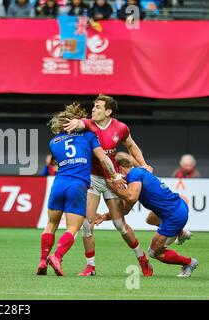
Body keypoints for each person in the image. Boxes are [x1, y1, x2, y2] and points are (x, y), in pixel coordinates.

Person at [64, 94, 154, 277]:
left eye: (97, 107)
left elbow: (132, 146)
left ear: (108, 111)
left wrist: (143, 164)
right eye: (94, 106)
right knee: (87, 225)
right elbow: (81, 122)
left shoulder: (120, 128)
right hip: (93, 179)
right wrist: (75, 121)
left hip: (113, 179)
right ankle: (91, 267)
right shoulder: (88, 124)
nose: (93, 109)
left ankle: (142, 258)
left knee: (120, 224)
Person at [37, 102, 122, 276]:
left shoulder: (54, 142)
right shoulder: (89, 136)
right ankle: (57, 257)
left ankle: (42, 261)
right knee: (73, 228)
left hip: (58, 183)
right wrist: (114, 176)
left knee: (51, 224)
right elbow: (104, 159)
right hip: (77, 185)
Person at [99, 153, 198, 277]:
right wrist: (103, 217)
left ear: (120, 168)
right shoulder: (138, 173)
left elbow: (131, 197)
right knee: (150, 219)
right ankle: (180, 232)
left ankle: (189, 263)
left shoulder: (133, 175)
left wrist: (113, 188)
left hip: (174, 216)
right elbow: (125, 211)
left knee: (154, 252)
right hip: (179, 206)